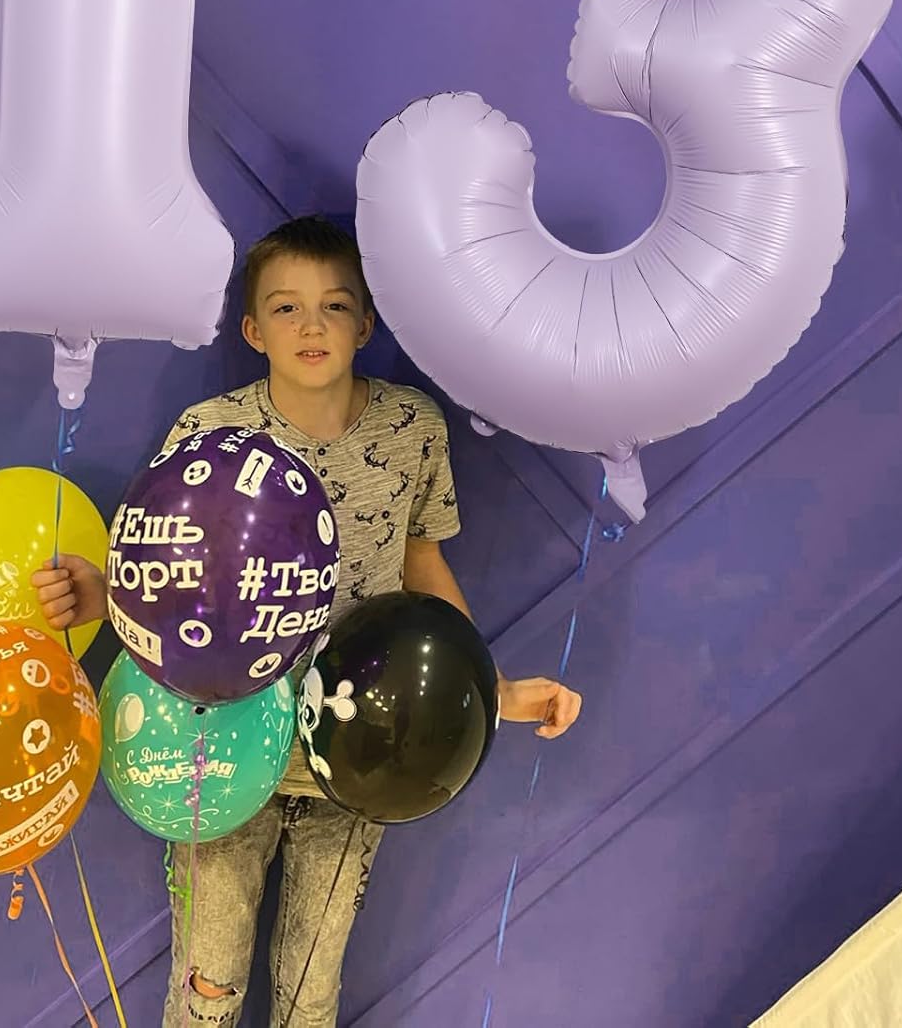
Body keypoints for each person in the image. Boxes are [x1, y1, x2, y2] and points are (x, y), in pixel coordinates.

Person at [33, 216, 583, 1027]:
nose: (312, 325)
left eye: (335, 306)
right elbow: (168, 582)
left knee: (310, 995)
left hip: (361, 752)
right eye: (286, 308)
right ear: (254, 330)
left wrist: (490, 691)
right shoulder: (209, 434)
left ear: (365, 323)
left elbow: (422, 568)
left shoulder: (411, 429)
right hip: (216, 750)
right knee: (207, 988)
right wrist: (103, 592)